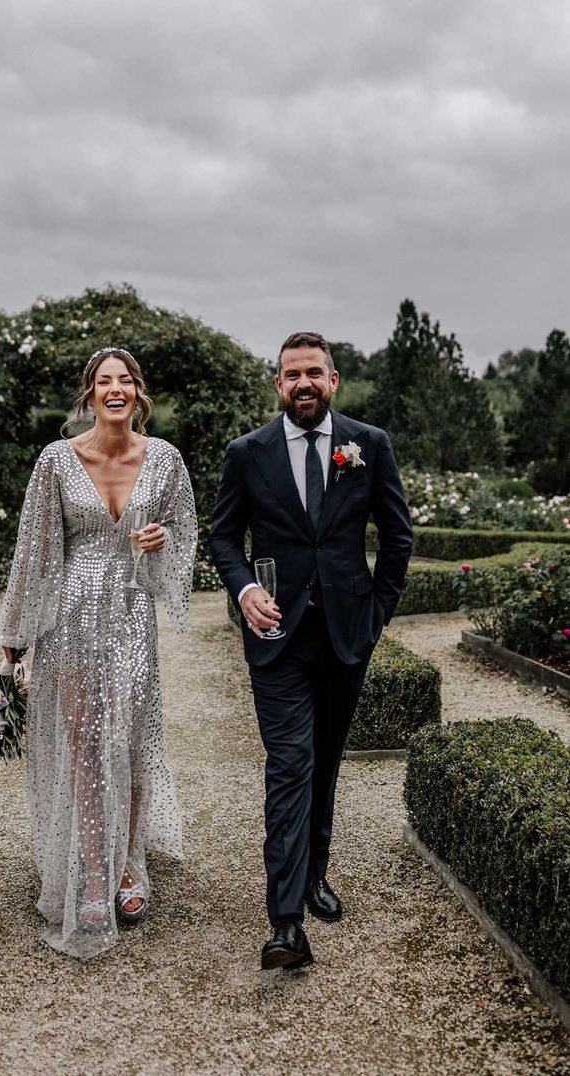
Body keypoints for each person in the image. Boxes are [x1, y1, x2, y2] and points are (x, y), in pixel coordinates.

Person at [209, 331, 412, 970]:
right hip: (276, 639)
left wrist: (376, 614)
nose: (303, 383)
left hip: (348, 635)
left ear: (333, 380)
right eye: (291, 373)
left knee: (324, 762)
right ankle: (287, 921)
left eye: (313, 373)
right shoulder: (248, 454)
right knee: (290, 764)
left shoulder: (368, 445)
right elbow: (222, 539)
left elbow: (399, 537)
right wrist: (243, 590)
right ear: (277, 384)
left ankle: (316, 873)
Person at [0, 347, 197, 960]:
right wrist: (13, 639)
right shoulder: (56, 461)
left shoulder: (164, 459)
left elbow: (184, 538)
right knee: (85, 744)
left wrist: (159, 543)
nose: (116, 389)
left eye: (126, 380)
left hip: (132, 616)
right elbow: (33, 552)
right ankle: (90, 873)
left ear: (138, 393)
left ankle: (131, 865)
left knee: (132, 742)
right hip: (72, 621)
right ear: (89, 396)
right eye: (104, 381)